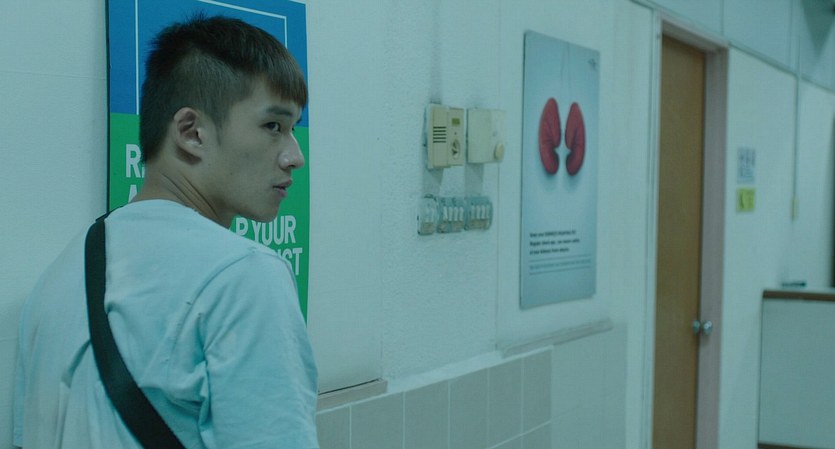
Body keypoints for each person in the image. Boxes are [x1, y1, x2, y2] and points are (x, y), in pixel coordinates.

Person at [14, 14, 319, 448]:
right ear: (191, 133)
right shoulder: (243, 275)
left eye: (292, 129)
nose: (295, 156)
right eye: (274, 126)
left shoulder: (60, 276)